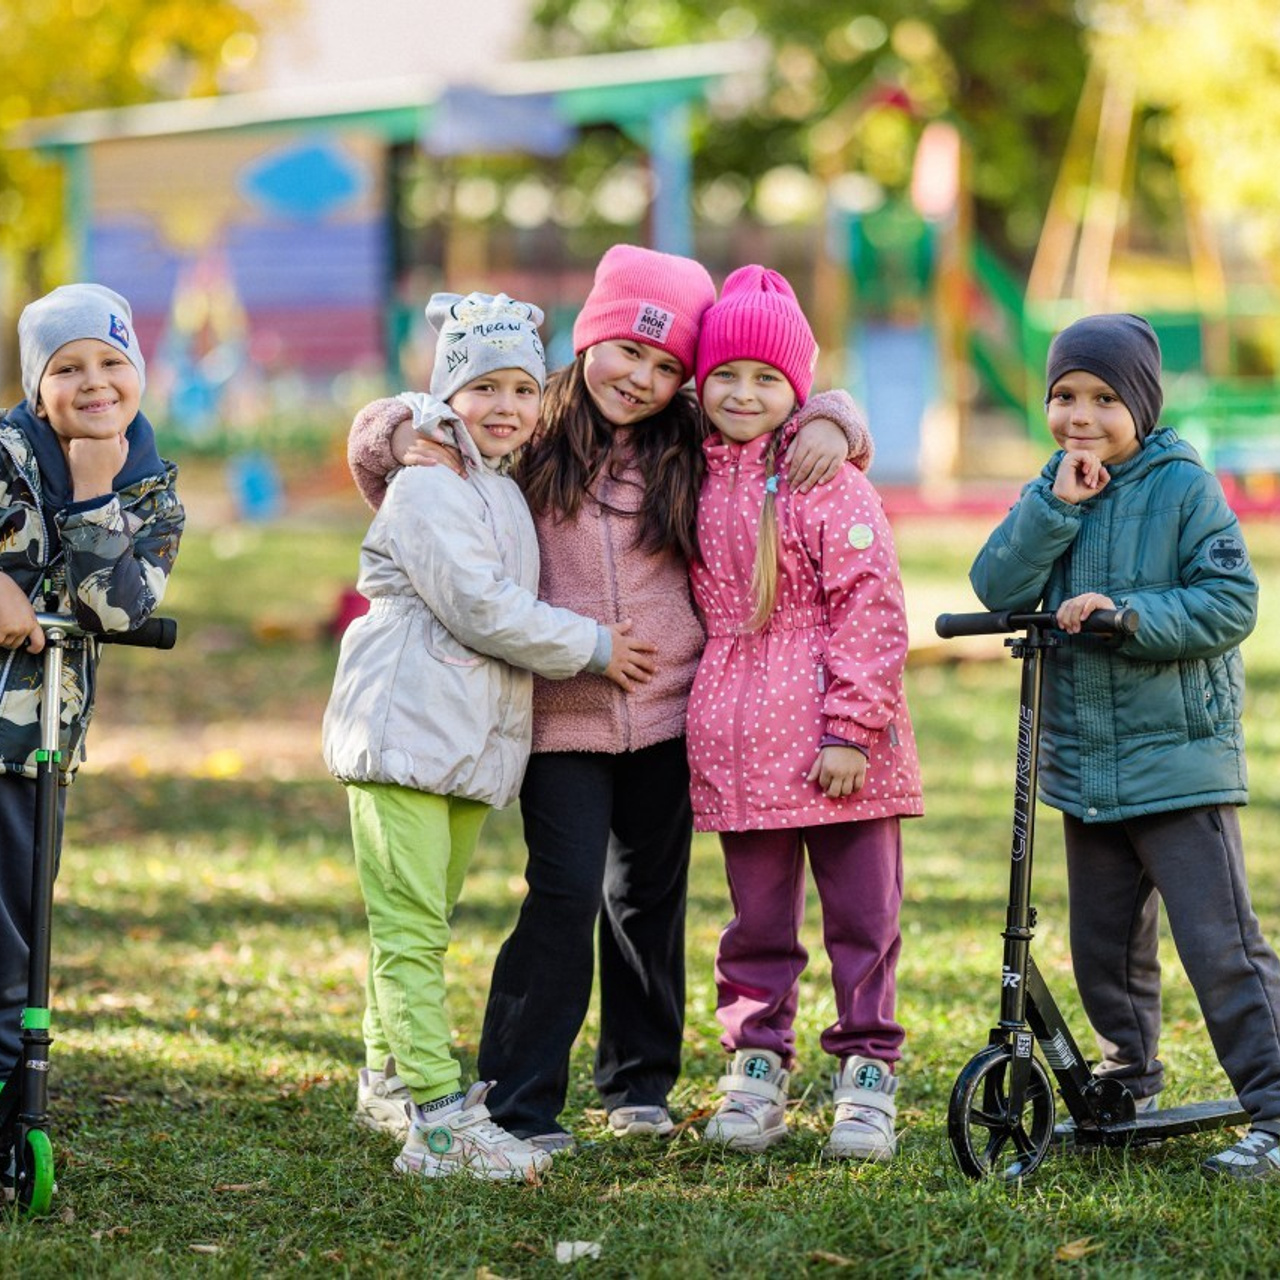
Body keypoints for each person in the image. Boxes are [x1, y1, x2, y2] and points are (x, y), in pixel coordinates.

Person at [347, 245, 864, 1152]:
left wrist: (834, 418)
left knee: (648, 900)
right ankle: (520, 1096)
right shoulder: (527, 427)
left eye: (669, 367)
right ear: (588, 339)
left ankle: (637, 1083)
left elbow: (779, 396)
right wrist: (395, 434)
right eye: (630, 350)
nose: (644, 377)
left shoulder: (695, 437)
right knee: (562, 894)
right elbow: (404, 429)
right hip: (561, 715)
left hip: (672, 712)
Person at [323, 291, 658, 1181]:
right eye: (482, 388)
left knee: (420, 917)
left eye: (519, 387)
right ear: (445, 397)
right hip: (405, 733)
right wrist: (591, 645)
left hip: (462, 743)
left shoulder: (499, 483)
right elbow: (481, 607)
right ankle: (437, 1119)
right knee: (410, 929)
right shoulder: (431, 482)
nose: (504, 406)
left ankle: (388, 1076)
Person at [970, 312, 1280, 1181]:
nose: (1081, 415)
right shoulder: (1053, 486)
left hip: (1177, 762)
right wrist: (1054, 509)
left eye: (1105, 398)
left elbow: (1229, 602)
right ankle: (1128, 1079)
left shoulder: (1184, 487)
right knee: (1104, 947)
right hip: (1084, 763)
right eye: (1064, 395)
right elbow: (995, 583)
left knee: (1220, 947)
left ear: (1140, 403)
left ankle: (1276, 1105)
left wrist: (1127, 616)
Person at [683, 265, 922, 1161]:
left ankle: (867, 1074)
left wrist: (852, 731)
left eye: (768, 379)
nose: (744, 394)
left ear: (798, 389)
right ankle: (755, 1066)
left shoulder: (828, 479)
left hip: (840, 746)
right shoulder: (691, 473)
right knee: (755, 924)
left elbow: (873, 606)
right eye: (726, 376)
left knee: (863, 918)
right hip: (738, 742)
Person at [0, 282, 184, 1095]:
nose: (94, 383)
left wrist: (92, 493)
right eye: (67, 368)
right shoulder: (3, 454)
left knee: (18, 927)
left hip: (36, 737)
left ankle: (13, 1093)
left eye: (112, 362)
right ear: (37, 390)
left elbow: (117, 606)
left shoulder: (149, 492)